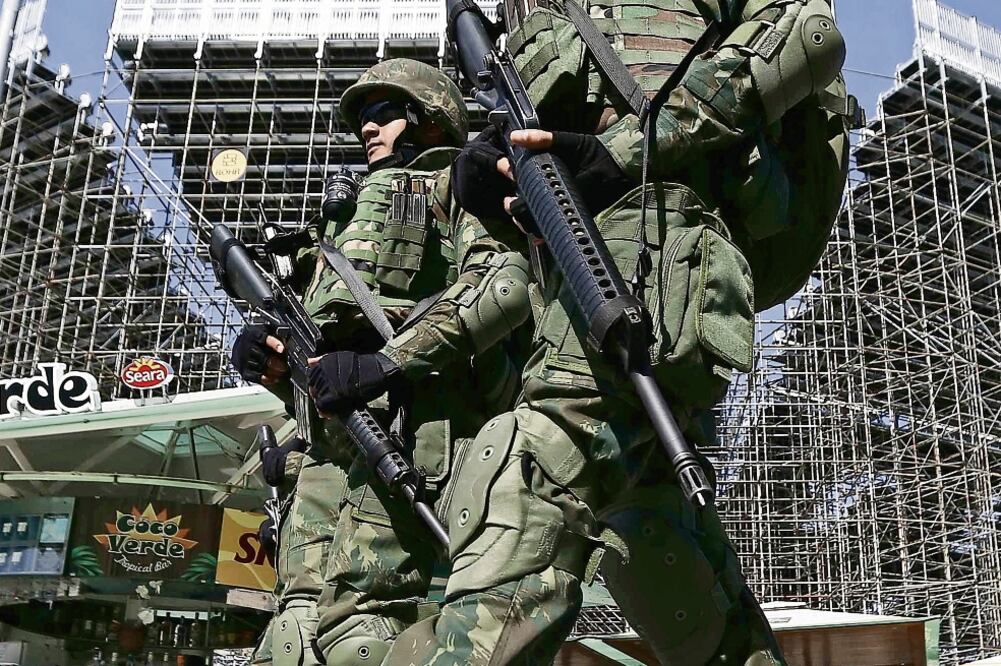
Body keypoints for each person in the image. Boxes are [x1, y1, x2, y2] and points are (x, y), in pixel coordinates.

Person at [381, 0, 853, 664]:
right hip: (568, 254)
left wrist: (619, 151)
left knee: (539, 463)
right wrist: (489, 167)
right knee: (660, 545)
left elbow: (806, 37)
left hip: (659, 228)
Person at [230, 58, 534, 666]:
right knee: (293, 631)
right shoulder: (338, 226)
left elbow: (505, 285)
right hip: (327, 449)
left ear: (427, 118)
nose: (367, 129)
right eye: (361, 119)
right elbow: (319, 349)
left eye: (383, 114)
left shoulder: (456, 183)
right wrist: (267, 357)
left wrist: (389, 363)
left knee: (360, 628)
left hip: (412, 433)